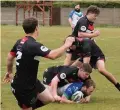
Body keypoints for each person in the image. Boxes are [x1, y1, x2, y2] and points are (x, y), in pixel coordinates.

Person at [3, 17, 75, 110]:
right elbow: (53, 55)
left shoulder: (19, 42)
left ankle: (28, 105)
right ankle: (26, 105)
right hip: (23, 88)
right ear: (37, 28)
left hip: (32, 82)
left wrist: (9, 72)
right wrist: (66, 45)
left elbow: (9, 57)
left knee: (49, 98)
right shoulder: (34, 45)